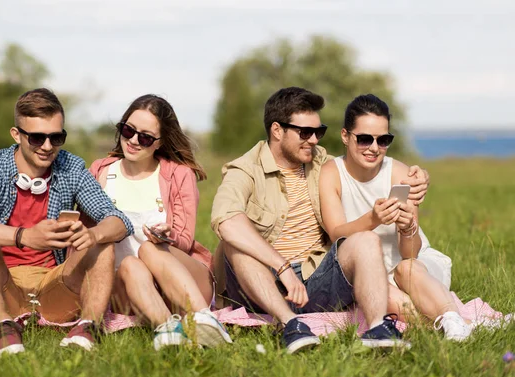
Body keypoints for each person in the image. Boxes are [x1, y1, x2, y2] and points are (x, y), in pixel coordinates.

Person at [211, 87, 430, 353]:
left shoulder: (321, 163)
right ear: (277, 131)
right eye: (305, 133)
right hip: (260, 284)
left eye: (319, 132)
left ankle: (376, 329)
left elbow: (363, 162)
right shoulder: (244, 170)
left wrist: (417, 176)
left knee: (366, 240)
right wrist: (282, 268)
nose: (314, 140)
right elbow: (226, 220)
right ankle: (290, 325)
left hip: (315, 278)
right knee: (236, 243)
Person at [0, 88, 134, 356]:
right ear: (17, 135)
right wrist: (23, 236)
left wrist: (94, 236)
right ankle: (3, 328)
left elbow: (118, 220)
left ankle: (88, 328)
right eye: (37, 138)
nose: (48, 147)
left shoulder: (71, 167)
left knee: (104, 242)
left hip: (51, 287)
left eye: (56, 137)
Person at [318, 94, 474, 340]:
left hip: (414, 267)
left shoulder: (400, 173)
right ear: (345, 136)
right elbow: (336, 233)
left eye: (383, 140)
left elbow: (411, 252)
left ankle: (450, 318)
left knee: (406, 269)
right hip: (370, 271)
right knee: (382, 293)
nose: (374, 148)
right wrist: (374, 218)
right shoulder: (331, 173)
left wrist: (407, 227)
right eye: (365, 139)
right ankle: (458, 323)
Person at [89, 94, 231, 350]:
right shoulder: (100, 171)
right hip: (127, 285)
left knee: (148, 248)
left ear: (159, 142)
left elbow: (186, 241)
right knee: (131, 263)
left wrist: (169, 236)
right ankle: (170, 330)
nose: (133, 140)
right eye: (128, 130)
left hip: (179, 278)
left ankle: (207, 320)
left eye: (144, 137)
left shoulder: (178, 174)